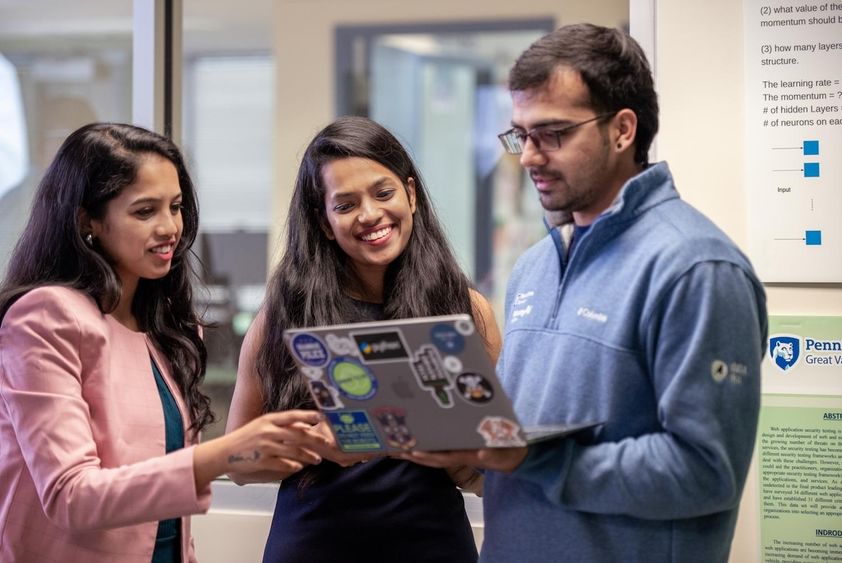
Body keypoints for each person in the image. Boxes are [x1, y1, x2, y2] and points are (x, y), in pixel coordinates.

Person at [403, 24, 768, 563]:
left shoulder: (697, 268)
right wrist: (462, 446)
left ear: (622, 130)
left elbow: (704, 472)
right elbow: (520, 444)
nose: (527, 157)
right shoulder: (535, 266)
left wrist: (533, 460)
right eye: (519, 135)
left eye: (551, 134)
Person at [0, 122, 328, 563]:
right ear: (88, 221)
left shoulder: (165, 327)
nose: (170, 227)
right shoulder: (46, 316)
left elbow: (164, 510)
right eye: (144, 211)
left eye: (175, 207)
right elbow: (70, 496)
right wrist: (221, 454)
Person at [225, 115, 501, 563]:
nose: (370, 215)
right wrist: (313, 443)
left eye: (384, 193)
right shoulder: (284, 316)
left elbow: (487, 470)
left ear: (410, 194)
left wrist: (460, 449)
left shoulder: (464, 310)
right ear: (322, 220)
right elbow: (235, 461)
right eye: (345, 203)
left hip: (434, 546)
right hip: (315, 547)